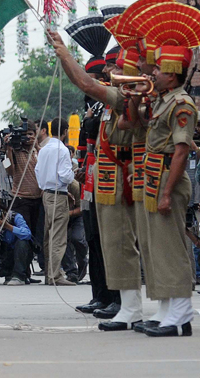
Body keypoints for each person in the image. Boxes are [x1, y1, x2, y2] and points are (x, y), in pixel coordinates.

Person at [119, 1, 200, 337]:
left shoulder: (182, 103)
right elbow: (137, 124)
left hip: (167, 179)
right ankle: (166, 311)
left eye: (158, 70)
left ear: (172, 72)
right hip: (152, 176)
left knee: (171, 247)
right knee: (154, 247)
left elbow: (179, 152)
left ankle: (180, 315)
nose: (152, 74)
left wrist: (165, 192)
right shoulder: (161, 100)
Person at [48, 33, 143, 328]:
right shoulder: (112, 100)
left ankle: (159, 310)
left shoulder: (139, 97)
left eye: (116, 69)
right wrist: (64, 56)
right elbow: (86, 84)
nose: (108, 73)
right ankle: (122, 304)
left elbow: (88, 83)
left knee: (139, 245)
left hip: (130, 180)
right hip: (104, 179)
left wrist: (65, 54)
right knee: (110, 243)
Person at [35, 118, 76, 285]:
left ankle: (49, 273)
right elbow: (65, 175)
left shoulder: (44, 149)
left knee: (49, 234)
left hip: (46, 193)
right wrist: (73, 175)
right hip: (58, 194)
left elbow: (38, 171)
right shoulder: (63, 150)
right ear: (65, 131)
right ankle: (55, 275)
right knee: (58, 236)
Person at [0, 197, 34, 285]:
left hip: (19, 253)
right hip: (4, 255)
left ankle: (19, 276)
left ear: (5, 211)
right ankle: (7, 274)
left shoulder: (15, 216)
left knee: (22, 242)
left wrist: (8, 226)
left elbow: (27, 234)